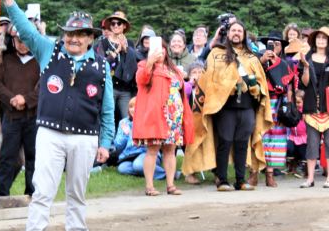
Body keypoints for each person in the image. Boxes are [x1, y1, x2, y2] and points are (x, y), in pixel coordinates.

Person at [0, 0, 113, 231]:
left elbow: (107, 108)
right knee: (42, 190)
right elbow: (26, 29)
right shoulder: (49, 50)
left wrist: (105, 142)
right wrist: (9, 0)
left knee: (77, 192)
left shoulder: (101, 65)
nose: (73, 39)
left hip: (85, 136)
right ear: (64, 35)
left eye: (80, 34)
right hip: (49, 132)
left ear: (89, 38)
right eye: (70, 33)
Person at [184, 21, 272, 191]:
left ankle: (240, 180)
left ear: (244, 35)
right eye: (233, 30)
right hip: (224, 108)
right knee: (224, 141)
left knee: (242, 142)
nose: (236, 33)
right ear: (228, 34)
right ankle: (222, 180)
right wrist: (230, 84)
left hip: (247, 107)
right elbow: (209, 79)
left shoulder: (251, 57)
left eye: (240, 30)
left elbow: (261, 82)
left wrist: (256, 88)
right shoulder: (216, 54)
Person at [133, 42, 194, 196]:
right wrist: (150, 62)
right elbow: (141, 80)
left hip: (174, 116)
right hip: (156, 115)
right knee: (153, 149)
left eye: (162, 49)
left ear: (166, 51)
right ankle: (149, 186)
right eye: (155, 49)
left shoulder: (173, 69)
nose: (159, 52)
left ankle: (170, 185)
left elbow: (182, 87)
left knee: (170, 149)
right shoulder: (144, 66)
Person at [0, 29, 40, 197]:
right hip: (11, 117)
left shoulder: (40, 60)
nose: (23, 45)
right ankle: (3, 191)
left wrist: (26, 100)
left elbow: (43, 88)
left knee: (32, 155)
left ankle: (32, 191)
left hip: (33, 117)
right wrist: (13, 99)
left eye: (26, 41)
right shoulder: (4, 59)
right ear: (13, 41)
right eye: (19, 41)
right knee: (7, 155)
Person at [298, 27, 329, 188]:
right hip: (311, 107)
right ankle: (310, 178)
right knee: (312, 144)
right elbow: (304, 83)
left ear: (328, 42)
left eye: (324, 38)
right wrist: (305, 66)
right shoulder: (307, 58)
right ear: (314, 41)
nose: (321, 40)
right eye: (318, 38)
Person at [255, 31, 294, 188]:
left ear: (282, 47)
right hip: (261, 102)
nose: (274, 47)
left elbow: (289, 86)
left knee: (274, 139)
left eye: (277, 44)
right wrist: (264, 61)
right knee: (258, 136)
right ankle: (254, 173)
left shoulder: (285, 64)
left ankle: (270, 174)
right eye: (271, 44)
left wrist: (289, 105)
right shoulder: (258, 60)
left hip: (277, 103)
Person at [95, 10, 137, 127]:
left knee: (128, 120)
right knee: (108, 119)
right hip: (109, 87)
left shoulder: (130, 43)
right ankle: (106, 144)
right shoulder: (103, 43)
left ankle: (128, 144)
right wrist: (117, 50)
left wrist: (126, 50)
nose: (116, 25)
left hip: (126, 89)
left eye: (119, 23)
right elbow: (101, 63)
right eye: (113, 23)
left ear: (124, 26)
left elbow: (134, 66)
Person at [115, 97, 165, 179]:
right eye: (131, 107)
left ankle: (168, 174)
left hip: (147, 153)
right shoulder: (124, 122)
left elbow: (147, 144)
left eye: (136, 107)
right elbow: (118, 146)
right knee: (122, 168)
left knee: (137, 165)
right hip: (129, 155)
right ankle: (146, 172)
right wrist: (126, 134)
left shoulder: (147, 121)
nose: (133, 109)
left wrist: (131, 131)